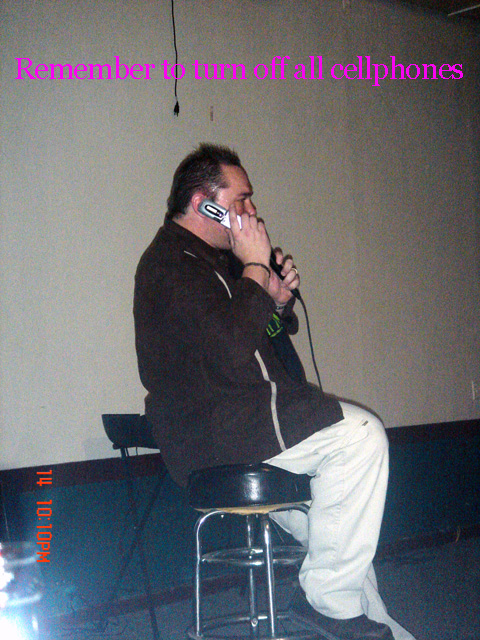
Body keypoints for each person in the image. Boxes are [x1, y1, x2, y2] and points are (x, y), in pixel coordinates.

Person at [134, 143, 416, 640]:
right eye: (241, 199)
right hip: (220, 434)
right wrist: (255, 269)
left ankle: (370, 625)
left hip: (244, 427)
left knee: (342, 539)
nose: (252, 211)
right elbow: (228, 352)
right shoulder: (170, 266)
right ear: (204, 205)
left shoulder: (211, 264)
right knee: (362, 436)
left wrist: (276, 302)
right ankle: (327, 607)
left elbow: (249, 343)